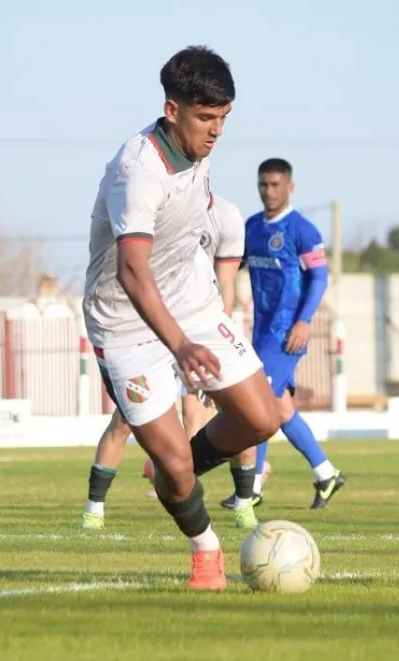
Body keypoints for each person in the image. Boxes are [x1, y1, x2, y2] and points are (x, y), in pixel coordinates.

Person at [82, 45, 281, 591]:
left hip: (191, 304)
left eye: (224, 118)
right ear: (172, 110)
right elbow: (132, 273)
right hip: (124, 323)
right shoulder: (138, 172)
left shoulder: (198, 150)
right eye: (206, 117)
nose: (216, 130)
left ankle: (175, 472)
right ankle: (207, 551)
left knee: (261, 419)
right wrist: (180, 346)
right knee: (176, 467)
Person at [79, 194, 259, 531]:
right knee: (123, 421)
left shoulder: (226, 216)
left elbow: (226, 285)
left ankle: (243, 503)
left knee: (233, 412)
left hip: (200, 326)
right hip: (149, 329)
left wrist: (217, 345)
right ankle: (94, 509)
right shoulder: (149, 209)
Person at [221, 158, 345, 510]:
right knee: (279, 407)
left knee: (257, 404)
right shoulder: (252, 227)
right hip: (261, 332)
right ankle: (327, 474)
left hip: (288, 333)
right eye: (263, 184)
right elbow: (232, 265)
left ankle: (252, 487)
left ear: (290, 187)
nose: (268, 191)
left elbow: (320, 277)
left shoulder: (302, 229)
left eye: (275, 185)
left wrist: (303, 321)